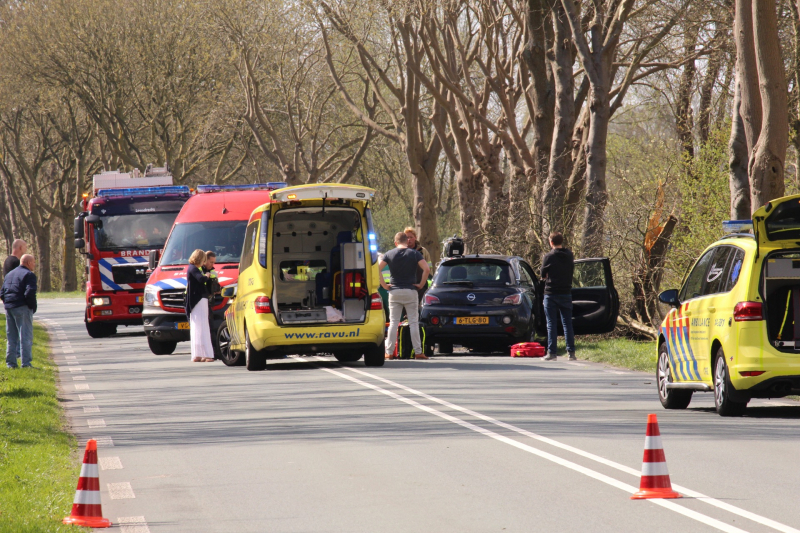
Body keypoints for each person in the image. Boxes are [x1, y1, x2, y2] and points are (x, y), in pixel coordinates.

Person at [380, 232, 430, 360]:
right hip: (410, 291)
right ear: (407, 242)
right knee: (413, 322)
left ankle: (389, 352)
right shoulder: (415, 254)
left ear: (395, 242)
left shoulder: (389, 254)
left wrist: (385, 286)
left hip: (394, 292)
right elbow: (427, 269)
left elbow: (377, 269)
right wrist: (421, 284)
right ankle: (418, 352)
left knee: (393, 323)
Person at [540, 232, 576, 361]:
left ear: (551, 242)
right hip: (566, 292)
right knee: (567, 323)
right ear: (562, 241)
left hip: (551, 293)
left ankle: (552, 353)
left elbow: (543, 274)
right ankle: (571, 353)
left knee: (551, 324)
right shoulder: (569, 255)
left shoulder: (548, 256)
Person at [1, 254, 37, 368]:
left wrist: (8, 304)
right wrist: (32, 306)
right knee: (25, 336)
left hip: (9, 307)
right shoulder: (29, 275)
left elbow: (2, 293)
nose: (34, 265)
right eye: (34, 262)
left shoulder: (9, 274)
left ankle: (11, 363)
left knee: (11, 337)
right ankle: (26, 363)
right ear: (28, 263)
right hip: (22, 307)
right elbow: (29, 292)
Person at [185, 249, 215, 363]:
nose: (204, 262)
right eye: (203, 259)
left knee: (197, 327)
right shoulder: (194, 268)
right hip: (199, 300)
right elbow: (201, 279)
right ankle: (207, 354)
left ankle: (197, 354)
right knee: (203, 326)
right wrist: (207, 275)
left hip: (194, 301)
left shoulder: (192, 268)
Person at [404, 227, 432, 303]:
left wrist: (428, 280)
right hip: (406, 284)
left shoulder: (423, 251)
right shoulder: (401, 251)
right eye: (407, 237)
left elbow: (429, 267)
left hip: (421, 284)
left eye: (411, 237)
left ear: (415, 238)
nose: (409, 239)